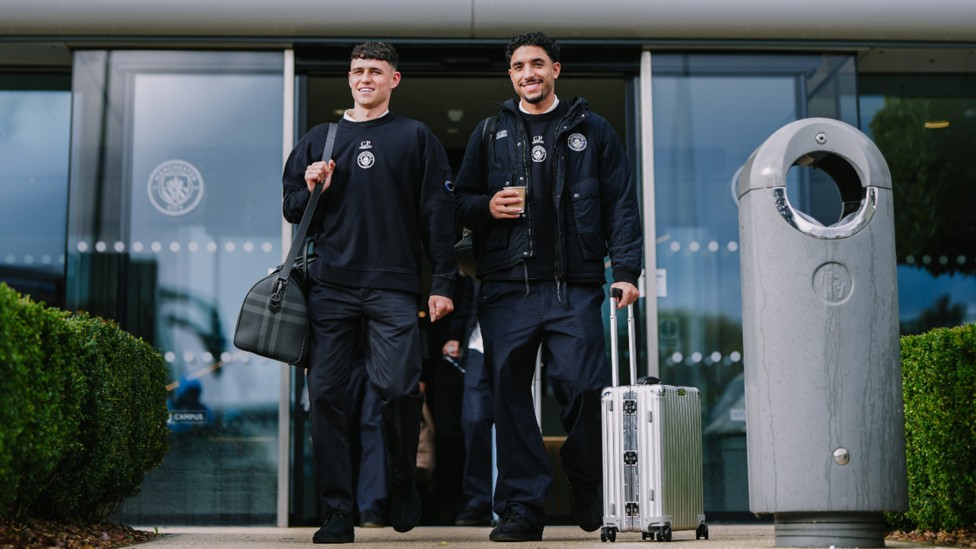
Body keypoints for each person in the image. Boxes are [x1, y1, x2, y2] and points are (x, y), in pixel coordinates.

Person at [453, 32, 643, 542]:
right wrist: (487, 207)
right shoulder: (489, 131)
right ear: (510, 75)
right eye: (518, 66)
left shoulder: (593, 129)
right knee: (509, 397)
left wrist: (625, 270)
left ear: (556, 69)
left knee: (585, 387)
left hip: (573, 286)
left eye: (537, 64)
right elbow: (461, 201)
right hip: (507, 288)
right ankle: (521, 509)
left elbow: (621, 203)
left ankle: (586, 482)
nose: (528, 73)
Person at [282, 41, 456, 544]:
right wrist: (312, 183)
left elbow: (436, 219)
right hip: (330, 287)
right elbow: (293, 206)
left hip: (394, 287)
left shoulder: (415, 137)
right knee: (328, 399)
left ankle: (401, 476)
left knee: (400, 389)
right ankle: (338, 510)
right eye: (358, 71)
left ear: (393, 80)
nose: (365, 78)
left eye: (375, 71)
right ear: (349, 78)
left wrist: (442, 283)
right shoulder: (321, 138)